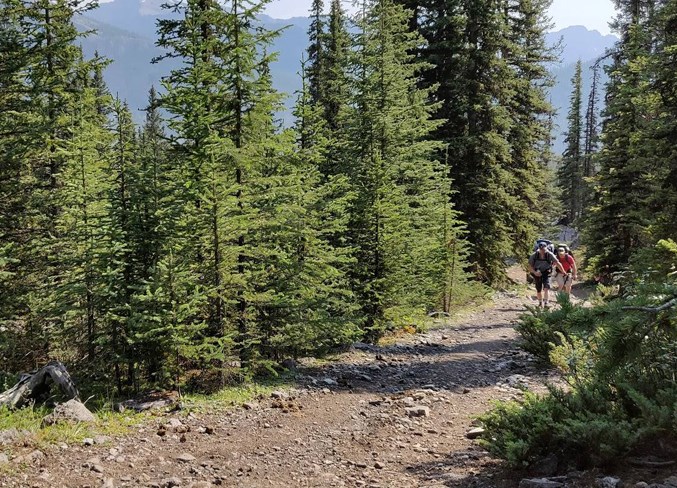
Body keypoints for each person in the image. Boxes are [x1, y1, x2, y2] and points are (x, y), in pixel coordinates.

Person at [528, 241, 565, 308]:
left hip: (547, 272)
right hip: (537, 273)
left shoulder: (550, 254)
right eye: (541, 250)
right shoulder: (534, 255)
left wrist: (563, 271)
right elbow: (530, 266)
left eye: (544, 249)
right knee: (538, 289)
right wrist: (535, 272)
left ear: (546, 248)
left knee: (546, 288)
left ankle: (546, 303)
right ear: (539, 249)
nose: (543, 251)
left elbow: (558, 263)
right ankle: (540, 302)